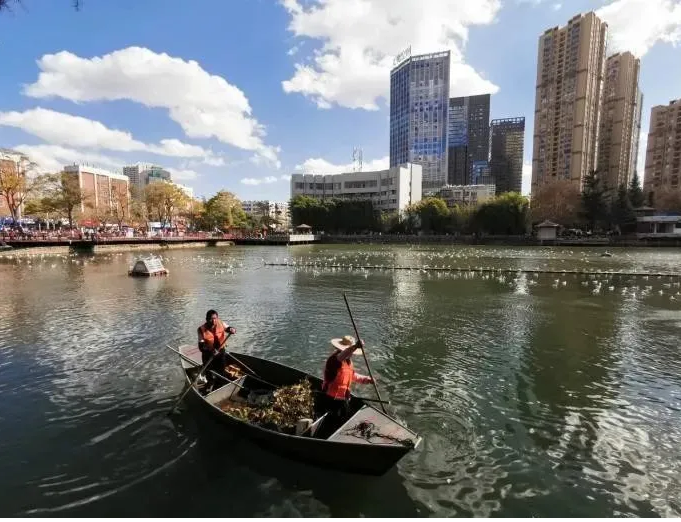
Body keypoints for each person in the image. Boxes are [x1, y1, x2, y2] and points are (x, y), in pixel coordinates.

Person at [316, 335, 374, 438]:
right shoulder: (334, 360)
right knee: (332, 421)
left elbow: (353, 376)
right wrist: (355, 346)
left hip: (343, 398)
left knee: (343, 418)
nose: (351, 354)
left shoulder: (348, 362)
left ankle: (337, 434)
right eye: (350, 351)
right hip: (331, 398)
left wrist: (367, 379)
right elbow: (342, 356)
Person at [197, 309, 236, 391]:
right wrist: (211, 351)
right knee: (209, 371)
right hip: (208, 353)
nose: (213, 321)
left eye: (215, 318)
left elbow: (228, 328)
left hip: (220, 351)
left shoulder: (220, 323)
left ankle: (220, 385)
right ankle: (210, 383)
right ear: (207, 319)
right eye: (211, 319)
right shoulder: (201, 329)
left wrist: (232, 329)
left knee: (221, 370)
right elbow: (201, 347)